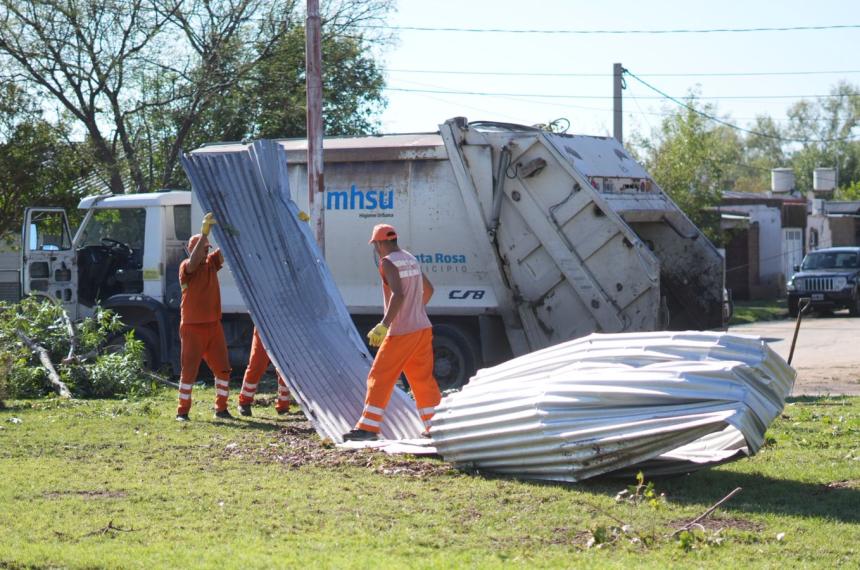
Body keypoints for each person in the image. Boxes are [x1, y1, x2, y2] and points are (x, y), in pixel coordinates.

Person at [342, 224, 441, 441]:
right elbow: (430, 289)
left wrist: (384, 324)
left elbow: (398, 295)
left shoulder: (387, 262)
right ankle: (436, 427)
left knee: (379, 377)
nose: (376, 249)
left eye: (375, 245)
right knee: (422, 380)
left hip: (401, 332)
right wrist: (415, 311)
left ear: (379, 243)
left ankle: (368, 428)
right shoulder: (410, 258)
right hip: (422, 329)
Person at [176, 213, 233, 421]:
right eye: (202, 249)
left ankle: (221, 408)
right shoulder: (186, 267)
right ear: (192, 250)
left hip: (213, 326)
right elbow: (192, 263)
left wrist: (228, 231)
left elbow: (226, 252)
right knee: (189, 370)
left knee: (223, 369)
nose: (206, 253)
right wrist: (203, 234)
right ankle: (182, 411)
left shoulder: (210, 263)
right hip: (192, 327)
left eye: (207, 249)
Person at [237, 327, 292, 417]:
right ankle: (244, 403)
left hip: (284, 328)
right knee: (256, 365)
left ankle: (283, 407)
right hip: (263, 328)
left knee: (285, 368)